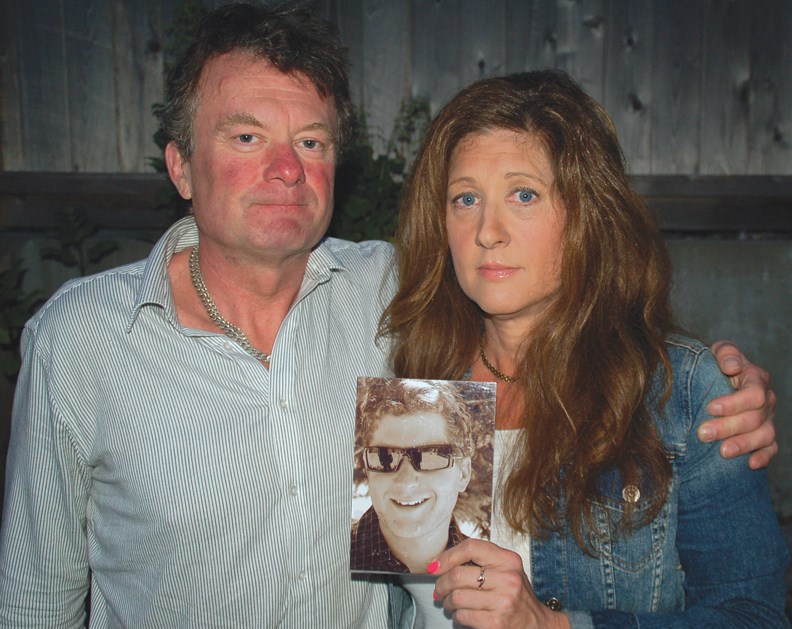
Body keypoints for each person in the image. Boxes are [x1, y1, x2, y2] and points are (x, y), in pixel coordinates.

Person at [0, 2, 780, 626]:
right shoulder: (414, 340)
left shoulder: (396, 310)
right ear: (179, 164)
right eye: (246, 136)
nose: (284, 169)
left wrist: (721, 385)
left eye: (310, 140)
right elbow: (33, 601)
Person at [381, 70, 790, 627]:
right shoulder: (411, 383)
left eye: (524, 195)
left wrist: (553, 625)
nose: (487, 230)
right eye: (465, 198)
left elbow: (753, 615)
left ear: (586, 218)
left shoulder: (679, 393)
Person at [351, 378, 492, 574]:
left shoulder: (488, 571)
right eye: (385, 457)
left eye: (431, 456)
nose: (407, 481)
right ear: (367, 468)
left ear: (464, 473)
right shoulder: (328, 557)